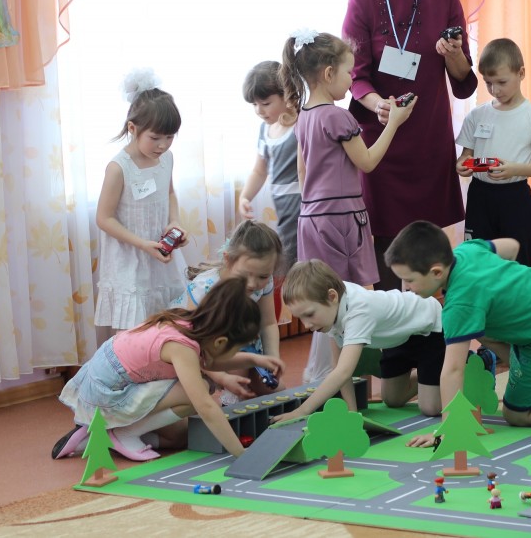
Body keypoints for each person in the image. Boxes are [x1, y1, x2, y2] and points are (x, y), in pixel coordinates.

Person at [342, 0, 479, 290]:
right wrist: (379, 105)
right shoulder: (362, 3)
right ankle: (392, 321)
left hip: (428, 135)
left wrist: (454, 55)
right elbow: (355, 76)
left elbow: (463, 80)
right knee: (387, 240)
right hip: (381, 140)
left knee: (428, 239)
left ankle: (435, 319)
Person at [279, 29, 415, 382]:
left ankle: (327, 377)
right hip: (341, 217)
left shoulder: (304, 115)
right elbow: (367, 162)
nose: (351, 79)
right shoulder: (338, 117)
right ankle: (344, 377)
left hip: (312, 216)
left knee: (325, 300)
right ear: (328, 73)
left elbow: (302, 171)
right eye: (348, 72)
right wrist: (394, 123)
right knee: (344, 301)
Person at [386, 221, 531, 443]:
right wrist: (507, 285)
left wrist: (448, 430)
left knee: (517, 413)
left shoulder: (460, 305)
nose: (406, 287)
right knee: (477, 328)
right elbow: (511, 246)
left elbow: (453, 370)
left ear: (436, 272)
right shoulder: (467, 250)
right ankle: (529, 375)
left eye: (410, 280)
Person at [53, 277, 259, 461]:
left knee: (179, 436)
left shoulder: (188, 323)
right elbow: (205, 406)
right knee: (200, 391)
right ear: (220, 342)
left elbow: (211, 364)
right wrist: (240, 453)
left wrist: (256, 360)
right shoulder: (183, 347)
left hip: (107, 377)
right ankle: (123, 433)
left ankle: (102, 435)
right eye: (235, 350)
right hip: (108, 392)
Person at [269, 259, 445, 424]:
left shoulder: (358, 311)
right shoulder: (330, 308)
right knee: (393, 399)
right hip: (398, 336)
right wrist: (352, 413)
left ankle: (450, 369)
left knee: (431, 408)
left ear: (332, 296)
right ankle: (431, 374)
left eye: (309, 314)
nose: (307, 325)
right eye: (300, 318)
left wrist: (301, 411)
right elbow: (338, 368)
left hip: (428, 327)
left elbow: (343, 372)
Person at [94, 68, 188, 334]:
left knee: (169, 326)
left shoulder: (166, 159)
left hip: (160, 257)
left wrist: (174, 223)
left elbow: (169, 193)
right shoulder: (118, 167)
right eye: (155, 138)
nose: (163, 145)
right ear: (133, 128)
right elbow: (103, 218)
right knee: (133, 334)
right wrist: (141, 244)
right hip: (130, 261)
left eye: (170, 137)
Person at [456, 38, 531, 266]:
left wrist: (513, 169)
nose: (495, 90)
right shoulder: (476, 115)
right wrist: (462, 165)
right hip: (479, 197)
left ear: (521, 73)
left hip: (515, 198)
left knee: (516, 262)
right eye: (488, 83)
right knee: (476, 259)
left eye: (501, 82)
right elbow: (465, 156)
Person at [176, 219, 286, 401]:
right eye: (245, 275)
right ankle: (230, 403)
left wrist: (272, 359)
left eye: (263, 276)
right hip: (195, 350)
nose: (252, 284)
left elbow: (268, 323)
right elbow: (189, 342)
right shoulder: (205, 289)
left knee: (277, 391)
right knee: (238, 385)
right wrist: (221, 377)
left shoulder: (264, 279)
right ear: (228, 260)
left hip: (240, 346)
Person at [238, 60, 301, 279]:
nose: (259, 111)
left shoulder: (302, 123)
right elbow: (259, 171)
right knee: (287, 261)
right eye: (254, 105)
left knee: (297, 263)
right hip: (283, 210)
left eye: (265, 103)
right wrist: (245, 197)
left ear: (287, 94)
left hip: (303, 204)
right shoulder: (265, 130)